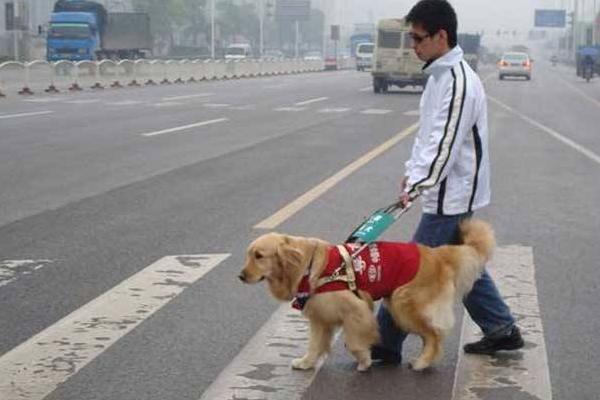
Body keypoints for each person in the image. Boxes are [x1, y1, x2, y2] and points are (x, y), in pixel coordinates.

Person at [371, 0, 524, 365]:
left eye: (419, 38)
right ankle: (502, 329)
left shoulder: (457, 82)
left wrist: (418, 184)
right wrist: (412, 173)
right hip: (442, 189)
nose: (414, 46)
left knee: (410, 267)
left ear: (442, 36)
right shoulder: (440, 76)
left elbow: (445, 145)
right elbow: (427, 136)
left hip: (450, 193)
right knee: (462, 263)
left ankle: (384, 342)